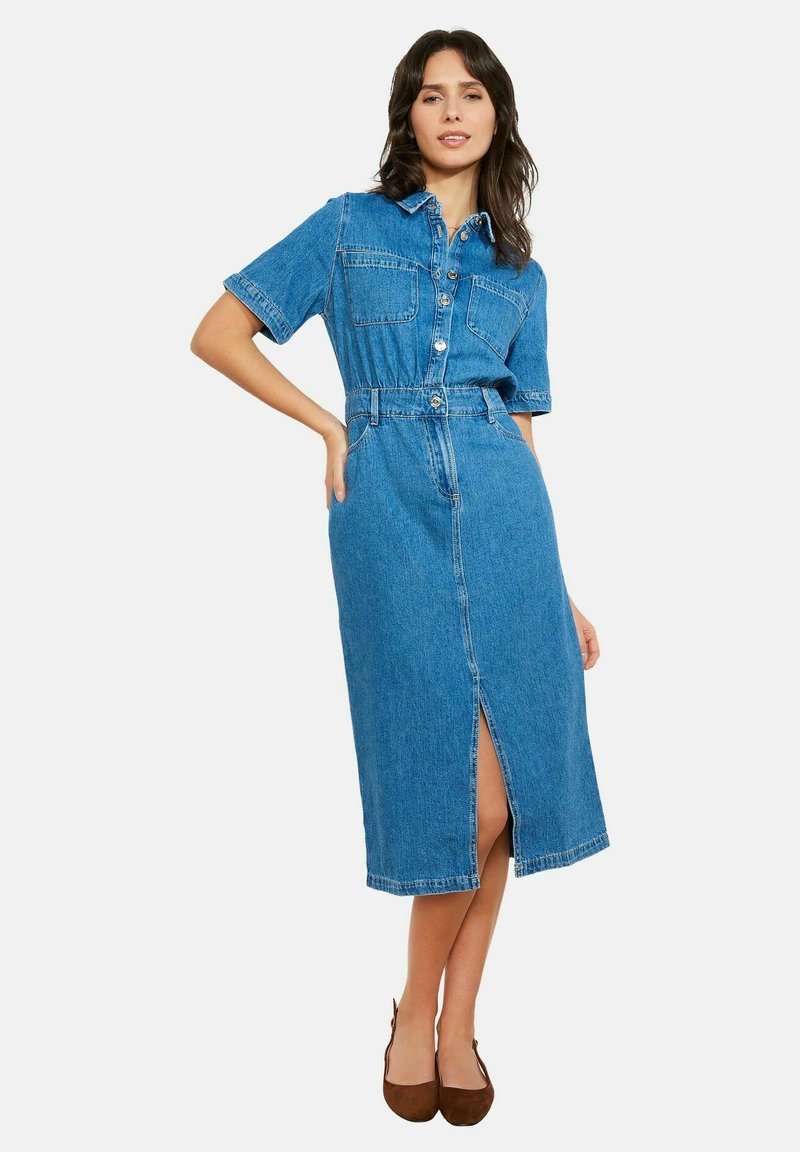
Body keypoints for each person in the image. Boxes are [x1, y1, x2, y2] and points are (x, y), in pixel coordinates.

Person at [191, 27, 610, 1127]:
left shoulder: (520, 272)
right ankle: (415, 1010)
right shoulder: (348, 227)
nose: (451, 110)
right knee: (453, 792)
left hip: (508, 521)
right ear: (407, 116)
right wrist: (331, 427)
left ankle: (450, 1021)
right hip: (387, 509)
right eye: (431, 95)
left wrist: (556, 585)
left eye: (470, 93)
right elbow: (219, 332)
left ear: (496, 115)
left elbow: (522, 430)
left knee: (509, 800)